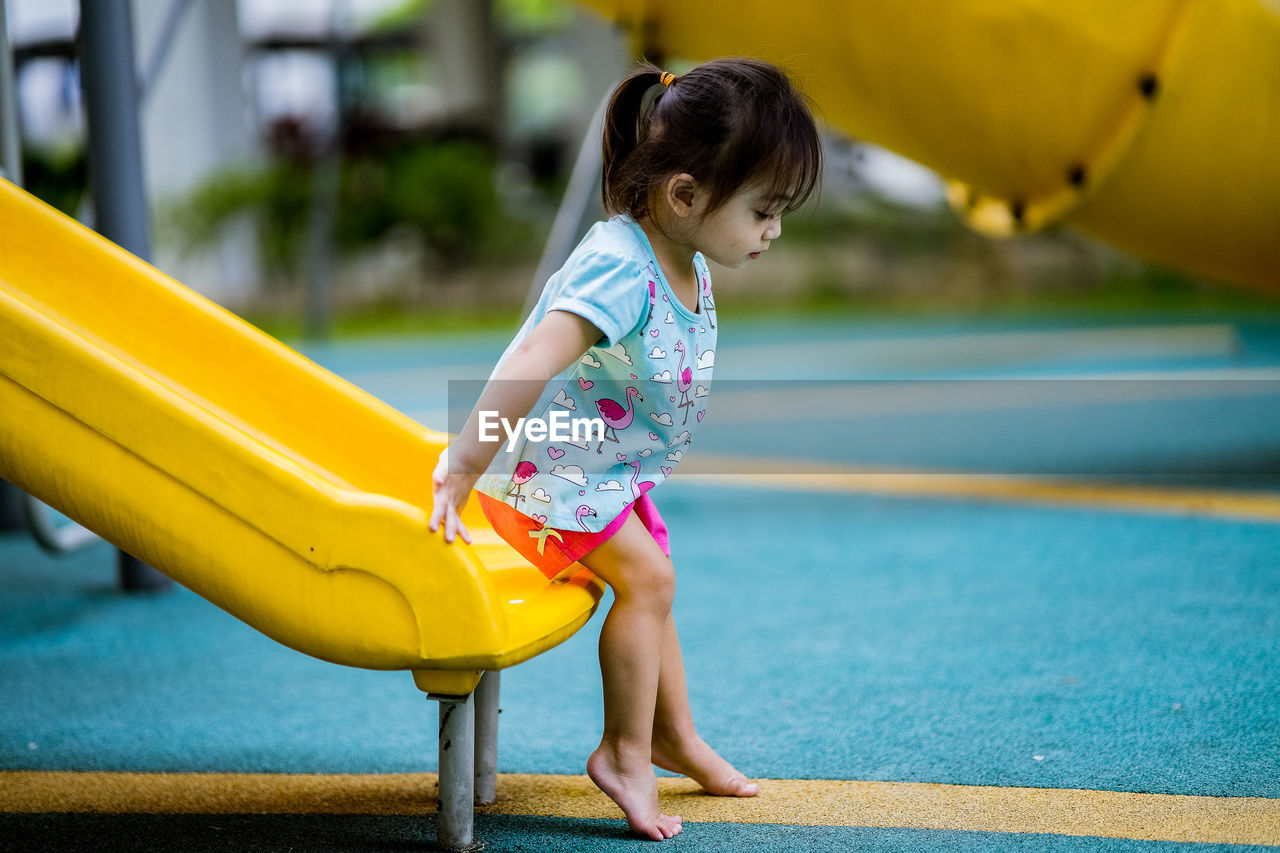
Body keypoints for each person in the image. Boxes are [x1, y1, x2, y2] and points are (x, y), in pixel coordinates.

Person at [430, 57, 822, 841]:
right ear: (684, 195)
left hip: (604, 471)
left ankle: (673, 736)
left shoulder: (686, 252)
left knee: (657, 580)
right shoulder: (619, 264)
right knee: (647, 577)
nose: (773, 230)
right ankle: (624, 751)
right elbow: (531, 358)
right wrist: (468, 462)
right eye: (764, 210)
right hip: (546, 472)